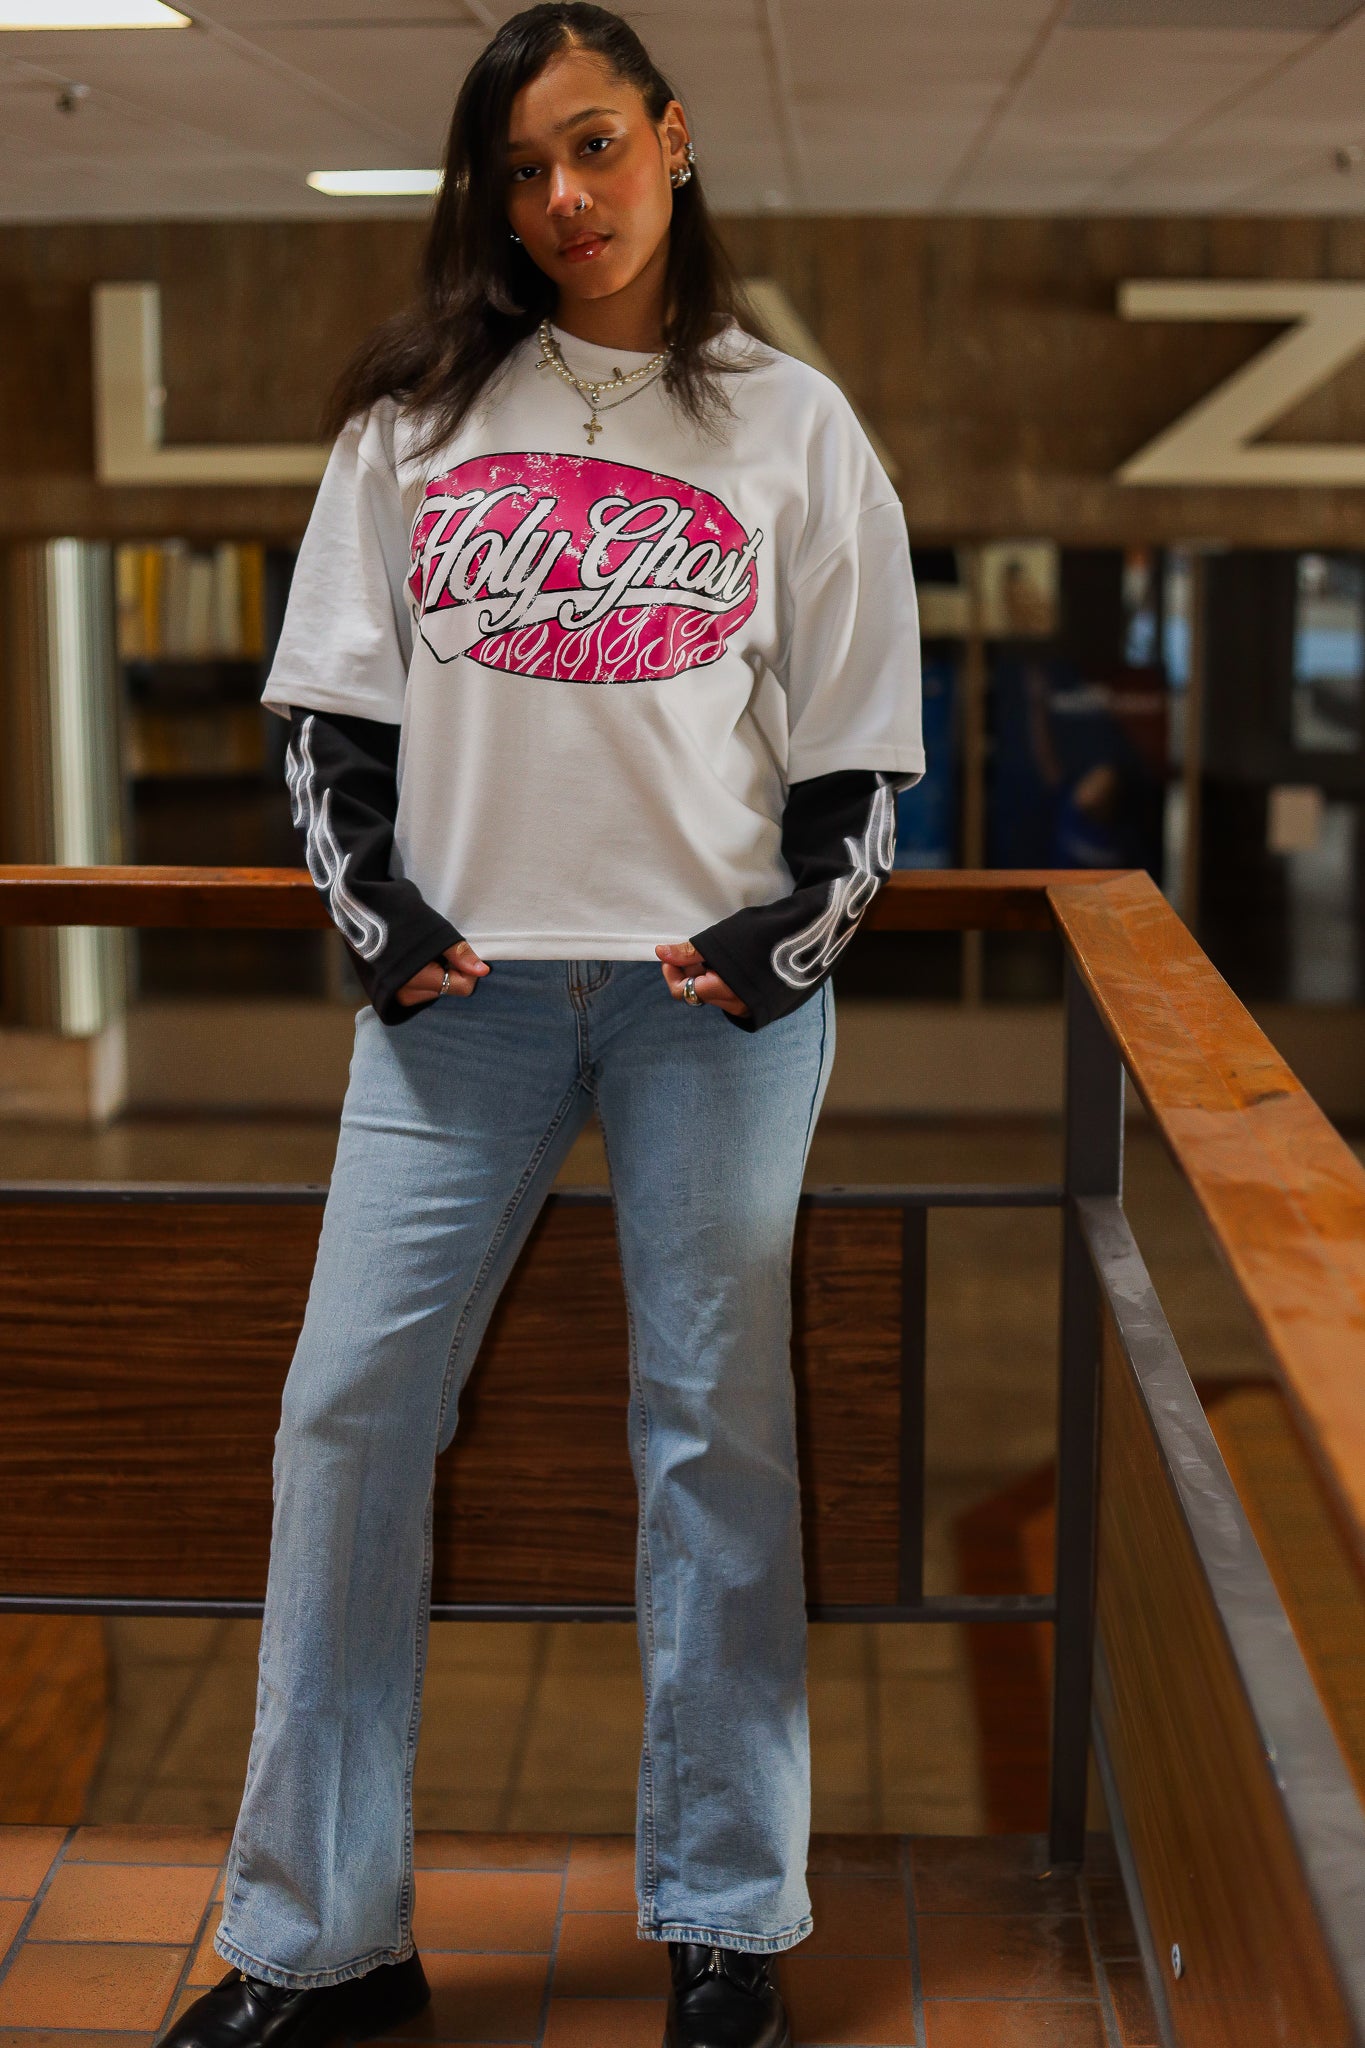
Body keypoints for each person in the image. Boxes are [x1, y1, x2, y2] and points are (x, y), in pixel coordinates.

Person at [162, 8, 922, 2047]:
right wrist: (384, 923)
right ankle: (320, 1943)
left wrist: (784, 946)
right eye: (520, 168)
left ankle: (727, 1928)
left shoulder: (791, 425)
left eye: (592, 145)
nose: (563, 197)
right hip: (460, 1012)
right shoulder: (413, 422)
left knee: (715, 1439)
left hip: (709, 1014)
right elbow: (328, 721)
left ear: (672, 138)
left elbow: (860, 755)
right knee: (346, 1416)